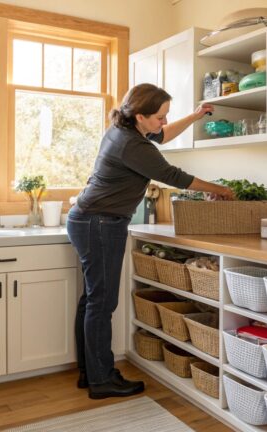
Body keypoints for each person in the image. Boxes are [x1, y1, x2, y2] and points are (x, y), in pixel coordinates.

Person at [67, 83, 234, 400]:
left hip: (91, 219)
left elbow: (165, 134)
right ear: (140, 116)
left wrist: (195, 116)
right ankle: (101, 380)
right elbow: (173, 176)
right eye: (159, 116)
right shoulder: (133, 146)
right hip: (100, 223)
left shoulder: (126, 128)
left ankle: (92, 373)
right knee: (101, 304)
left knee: (92, 301)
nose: (163, 121)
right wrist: (220, 189)